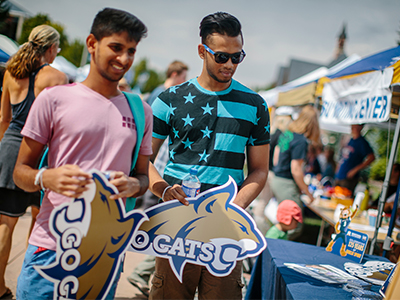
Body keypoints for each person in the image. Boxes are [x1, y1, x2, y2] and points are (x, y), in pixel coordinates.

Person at [12, 8, 152, 300]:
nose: (124, 59)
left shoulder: (141, 111)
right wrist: (46, 177)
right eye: (116, 47)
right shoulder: (54, 98)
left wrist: (134, 185)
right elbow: (21, 174)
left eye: (131, 51)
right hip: (50, 249)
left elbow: (143, 177)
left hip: (104, 255)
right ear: (92, 43)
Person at [148, 12, 270, 300]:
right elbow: (144, 161)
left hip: (226, 228)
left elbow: (260, 170)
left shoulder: (255, 105)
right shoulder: (169, 100)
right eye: (221, 57)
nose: (230, 65)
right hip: (176, 224)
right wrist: (164, 190)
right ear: (202, 51)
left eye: (237, 57)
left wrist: (234, 208)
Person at [0, 25, 68, 299]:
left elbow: (4, 119)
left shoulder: (11, 73)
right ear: (51, 48)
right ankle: (32, 287)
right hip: (41, 154)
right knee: (41, 224)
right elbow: (61, 126)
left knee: (5, 223)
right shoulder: (57, 77)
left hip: (9, 150)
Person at [127, 60, 188, 297]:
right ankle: (142, 273)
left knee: (166, 230)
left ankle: (143, 273)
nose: (185, 80)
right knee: (166, 231)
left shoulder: (159, 95)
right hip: (157, 172)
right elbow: (149, 142)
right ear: (174, 74)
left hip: (157, 171)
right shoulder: (161, 97)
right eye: (183, 75)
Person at [270, 105, 320, 240]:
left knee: (285, 221)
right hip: (286, 182)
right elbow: (296, 170)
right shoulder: (300, 141)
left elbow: (276, 156)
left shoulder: (287, 133)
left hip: (277, 178)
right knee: (293, 225)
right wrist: (308, 193)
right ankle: (272, 247)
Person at [336, 124, 375, 196]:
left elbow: (371, 157)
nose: (352, 127)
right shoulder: (351, 140)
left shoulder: (362, 142)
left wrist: (355, 170)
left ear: (360, 127)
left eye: (355, 126)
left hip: (348, 178)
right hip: (340, 176)